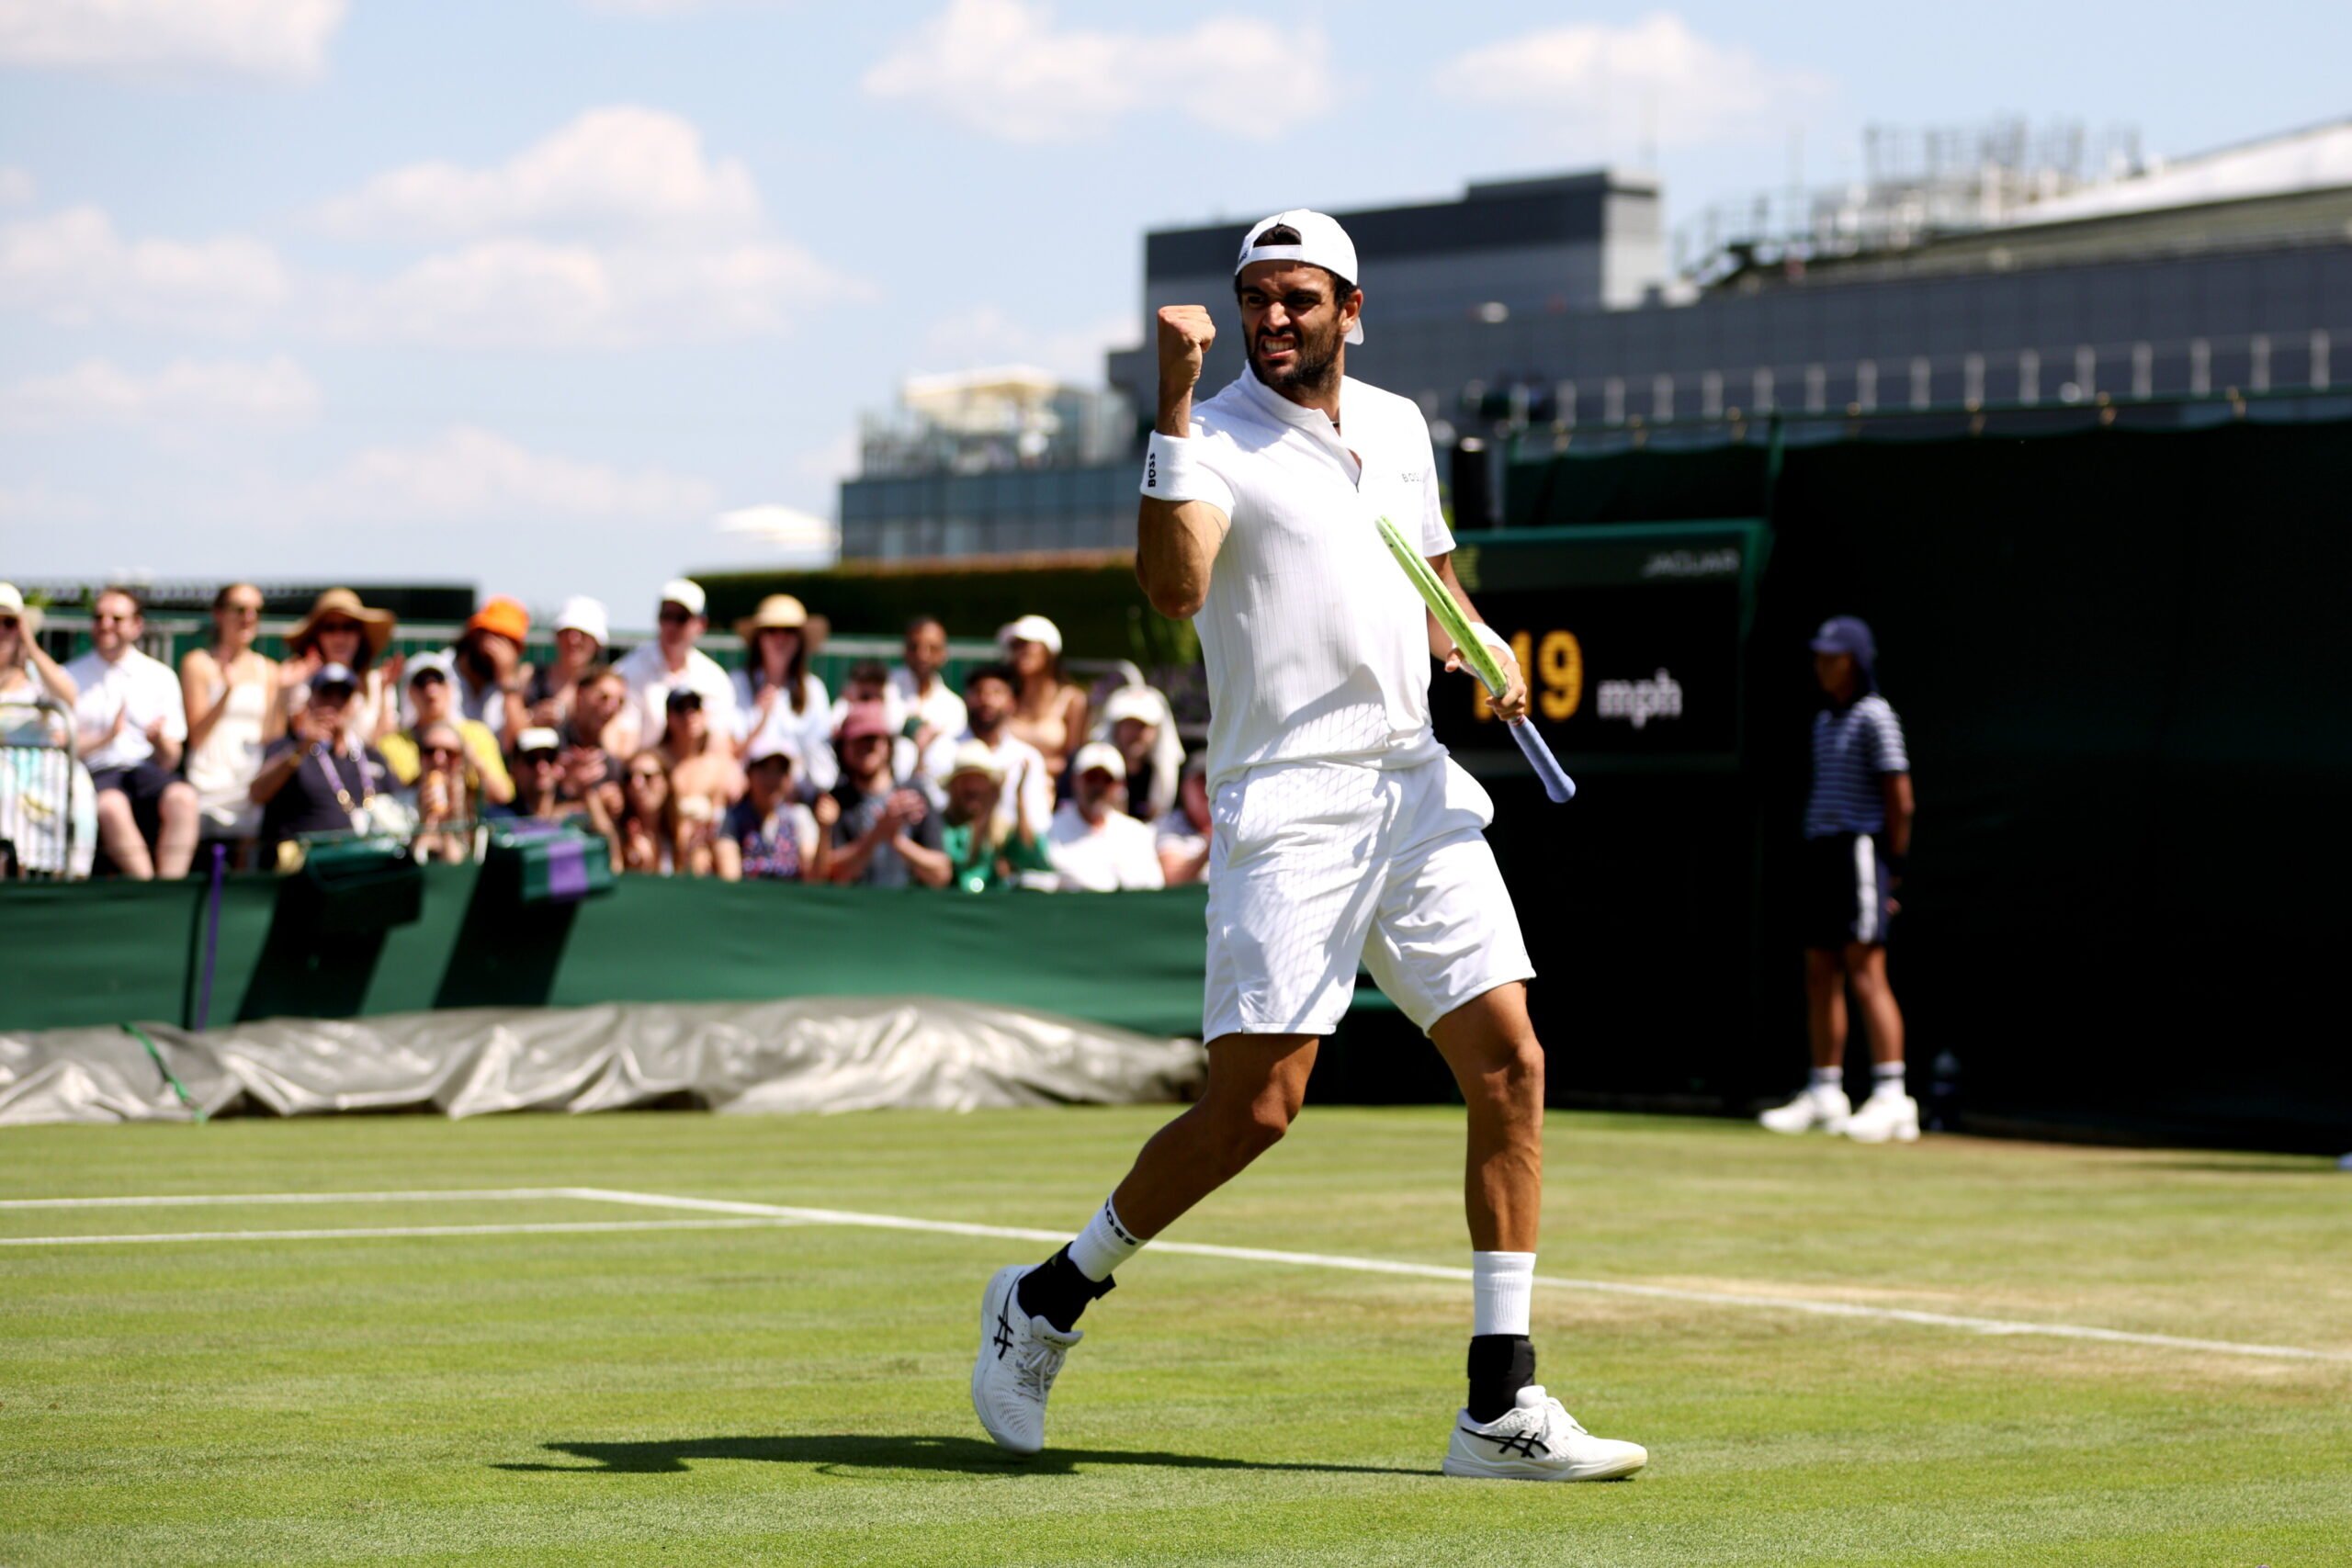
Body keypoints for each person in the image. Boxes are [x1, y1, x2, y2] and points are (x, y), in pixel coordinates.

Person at [970, 209, 1647, 1482]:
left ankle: (1498, 1401)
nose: (1272, 321)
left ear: (1352, 308)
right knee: (1258, 1107)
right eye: (1255, 301)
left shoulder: (1394, 424)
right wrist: (1171, 409)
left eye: (1298, 300)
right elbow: (1174, 590)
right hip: (1286, 798)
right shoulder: (1211, 434)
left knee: (1511, 1062)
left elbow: (1433, 577)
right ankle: (1048, 1296)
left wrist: (1479, 643)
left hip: (1413, 784)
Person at [1760, 616, 1918, 1145]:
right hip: (1821, 853)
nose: (1822, 665)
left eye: (1832, 656)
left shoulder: (1878, 717)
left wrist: (1891, 869)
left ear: (1855, 661)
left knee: (1865, 970)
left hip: (1860, 852)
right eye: (1819, 655)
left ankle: (1893, 1096)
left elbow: (1900, 800)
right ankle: (1826, 1092)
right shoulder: (1824, 722)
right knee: (1818, 971)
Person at [66, 585, 198, 881]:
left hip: (147, 771)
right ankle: (149, 888)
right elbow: (62, 748)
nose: (105, 625)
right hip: (96, 773)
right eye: (99, 617)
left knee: (184, 798)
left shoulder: (160, 676)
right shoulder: (69, 676)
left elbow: (171, 759)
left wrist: (159, 742)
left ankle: (170, 887)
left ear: (137, 626)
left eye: (116, 618)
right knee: (111, 806)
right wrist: (105, 737)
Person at [248, 663, 394, 868]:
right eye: (326, 694)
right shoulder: (288, 748)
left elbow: (400, 802)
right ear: (311, 701)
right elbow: (257, 792)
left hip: (364, 866)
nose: (334, 703)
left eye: (343, 695)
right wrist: (301, 748)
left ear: (353, 703)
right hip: (305, 872)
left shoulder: (370, 755)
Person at [179, 581, 281, 861]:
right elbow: (197, 735)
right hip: (208, 781)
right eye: (240, 609)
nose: (249, 617)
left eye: (255, 611)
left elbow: (271, 734)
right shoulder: (197, 663)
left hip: (251, 782)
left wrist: (284, 691)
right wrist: (227, 693)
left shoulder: (269, 670)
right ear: (219, 614)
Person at [921, 663, 1052, 838]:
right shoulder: (942, 749)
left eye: (997, 693)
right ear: (966, 698)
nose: (986, 700)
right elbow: (934, 810)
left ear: (1012, 702)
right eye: (979, 692)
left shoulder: (1027, 758)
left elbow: (1038, 822)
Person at [826, 704, 948, 888]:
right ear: (844, 748)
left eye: (872, 739)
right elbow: (831, 874)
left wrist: (897, 841)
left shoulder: (915, 795)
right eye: (857, 740)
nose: (866, 747)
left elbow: (941, 875)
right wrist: (878, 833)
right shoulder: (836, 800)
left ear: (888, 745)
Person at [615, 579, 737, 759]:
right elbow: (624, 743)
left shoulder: (715, 679)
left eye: (681, 618)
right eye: (666, 616)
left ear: (701, 624)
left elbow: (719, 746)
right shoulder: (628, 671)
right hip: (644, 777)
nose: (671, 626)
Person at [731, 594, 835, 793]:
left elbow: (820, 756)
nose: (780, 638)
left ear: (800, 640)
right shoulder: (738, 684)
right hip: (746, 798)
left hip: (798, 797)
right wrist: (761, 720)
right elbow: (730, 754)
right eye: (771, 631)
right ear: (758, 638)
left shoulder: (814, 689)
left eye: (789, 631)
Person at [379, 660, 514, 808]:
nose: (431, 690)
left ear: (450, 688)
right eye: (421, 683)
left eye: (438, 680)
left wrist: (470, 759)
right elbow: (394, 801)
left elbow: (503, 795)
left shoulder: (478, 734)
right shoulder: (391, 743)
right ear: (410, 692)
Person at [280, 588, 397, 747]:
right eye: (330, 627)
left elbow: (384, 745)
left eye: (348, 627)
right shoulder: (300, 680)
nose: (339, 637)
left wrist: (384, 691)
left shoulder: (378, 682)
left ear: (360, 634)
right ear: (317, 635)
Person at [1043, 742, 1164, 892]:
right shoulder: (1049, 831)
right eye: (1091, 777)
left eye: (1107, 779)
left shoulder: (1137, 834)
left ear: (1120, 785)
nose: (1098, 786)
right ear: (1075, 780)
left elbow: (1153, 887)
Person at [937, 741, 1051, 893]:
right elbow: (960, 863)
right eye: (966, 781)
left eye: (979, 780)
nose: (973, 788)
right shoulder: (940, 825)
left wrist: (1020, 801)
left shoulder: (1001, 828)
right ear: (953, 787)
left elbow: (1032, 857)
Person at [716, 739, 834, 883]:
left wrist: (825, 830)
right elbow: (730, 878)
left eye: (780, 771)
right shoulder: (730, 818)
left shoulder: (799, 816)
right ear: (749, 774)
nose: (772, 779)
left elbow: (814, 878)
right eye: (764, 769)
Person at [999, 614, 1088, 782]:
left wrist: (1029, 769)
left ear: (1049, 650)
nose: (1020, 651)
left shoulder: (1072, 700)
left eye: (1027, 644)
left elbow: (1074, 761)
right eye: (1015, 645)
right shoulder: (1006, 699)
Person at [449, 596, 531, 751]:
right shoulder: (436, 673)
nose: (499, 651)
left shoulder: (505, 686)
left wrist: (508, 682)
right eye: (494, 636)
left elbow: (520, 746)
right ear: (475, 634)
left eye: (509, 643)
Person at [889, 614, 967, 776]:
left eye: (932, 648)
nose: (922, 655)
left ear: (944, 654)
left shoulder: (954, 706)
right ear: (905, 650)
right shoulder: (882, 689)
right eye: (915, 647)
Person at [520, 596, 610, 736]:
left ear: (597, 643)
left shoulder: (609, 688)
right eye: (567, 631)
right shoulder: (528, 676)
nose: (573, 639)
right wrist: (531, 718)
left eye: (583, 633)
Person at [656, 688, 742, 829]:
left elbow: (726, 802)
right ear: (669, 718)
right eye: (681, 709)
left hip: (706, 839)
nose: (689, 715)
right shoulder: (657, 761)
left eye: (695, 707)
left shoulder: (716, 763)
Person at [1094, 683, 1181, 824]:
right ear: (1115, 729)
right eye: (1128, 724)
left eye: (1142, 726)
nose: (1135, 734)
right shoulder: (1090, 776)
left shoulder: (1168, 779)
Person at [402, 718, 476, 863]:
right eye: (430, 751)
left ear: (461, 761)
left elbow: (457, 864)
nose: (439, 759)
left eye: (450, 753)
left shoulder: (473, 807)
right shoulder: (399, 806)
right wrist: (423, 823)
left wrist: (451, 821)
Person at [613, 750, 680, 875]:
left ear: (667, 782)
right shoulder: (618, 834)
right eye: (629, 777)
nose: (637, 784)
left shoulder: (680, 832)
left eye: (648, 776)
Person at [1154, 754, 1213, 887]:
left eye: (1213, 781)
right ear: (1184, 787)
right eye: (1201, 781)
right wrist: (1213, 845)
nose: (1208, 789)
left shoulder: (1235, 822)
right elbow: (1174, 879)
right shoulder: (1169, 824)